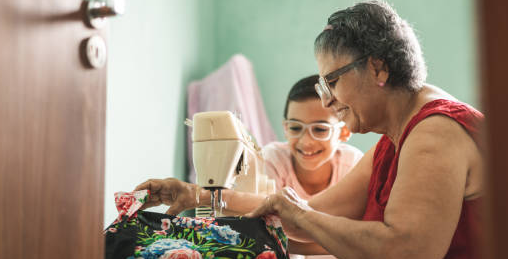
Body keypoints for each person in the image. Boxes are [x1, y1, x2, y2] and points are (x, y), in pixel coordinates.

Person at [246, 0, 485, 259]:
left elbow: (404, 253)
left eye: (332, 82)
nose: (328, 102)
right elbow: (305, 218)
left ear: (378, 68)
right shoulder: (394, 139)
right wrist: (203, 198)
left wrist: (301, 217)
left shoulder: (435, 132)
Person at [135, 75, 363, 216]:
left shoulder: (354, 165)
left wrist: (201, 196)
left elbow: (295, 211)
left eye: (320, 129)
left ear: (344, 131)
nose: (306, 141)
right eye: (295, 128)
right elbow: (266, 207)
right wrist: (200, 195)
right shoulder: (273, 158)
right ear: (284, 128)